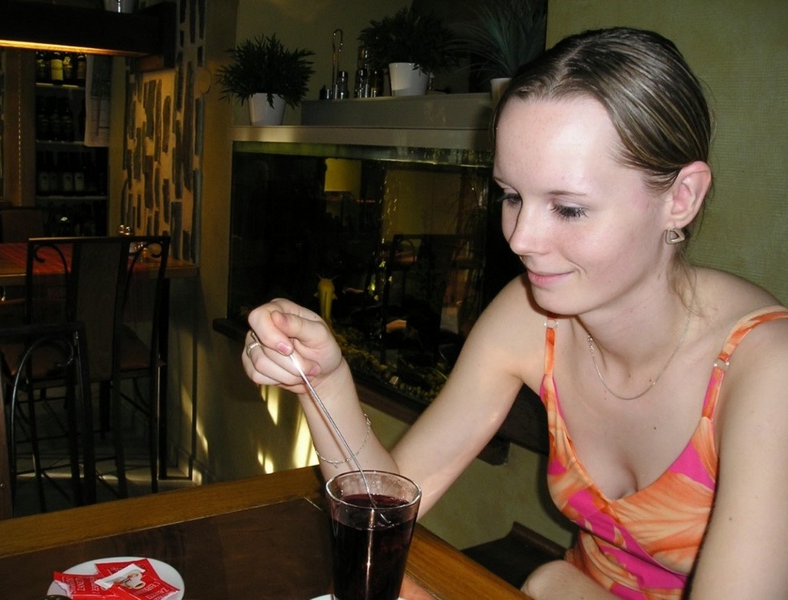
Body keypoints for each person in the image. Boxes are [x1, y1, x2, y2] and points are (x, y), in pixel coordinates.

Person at [242, 27, 788, 599]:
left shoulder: (766, 370)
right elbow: (387, 507)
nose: (521, 239)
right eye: (511, 196)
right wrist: (324, 382)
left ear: (681, 197)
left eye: (568, 208)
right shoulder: (531, 316)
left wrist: (556, 584)